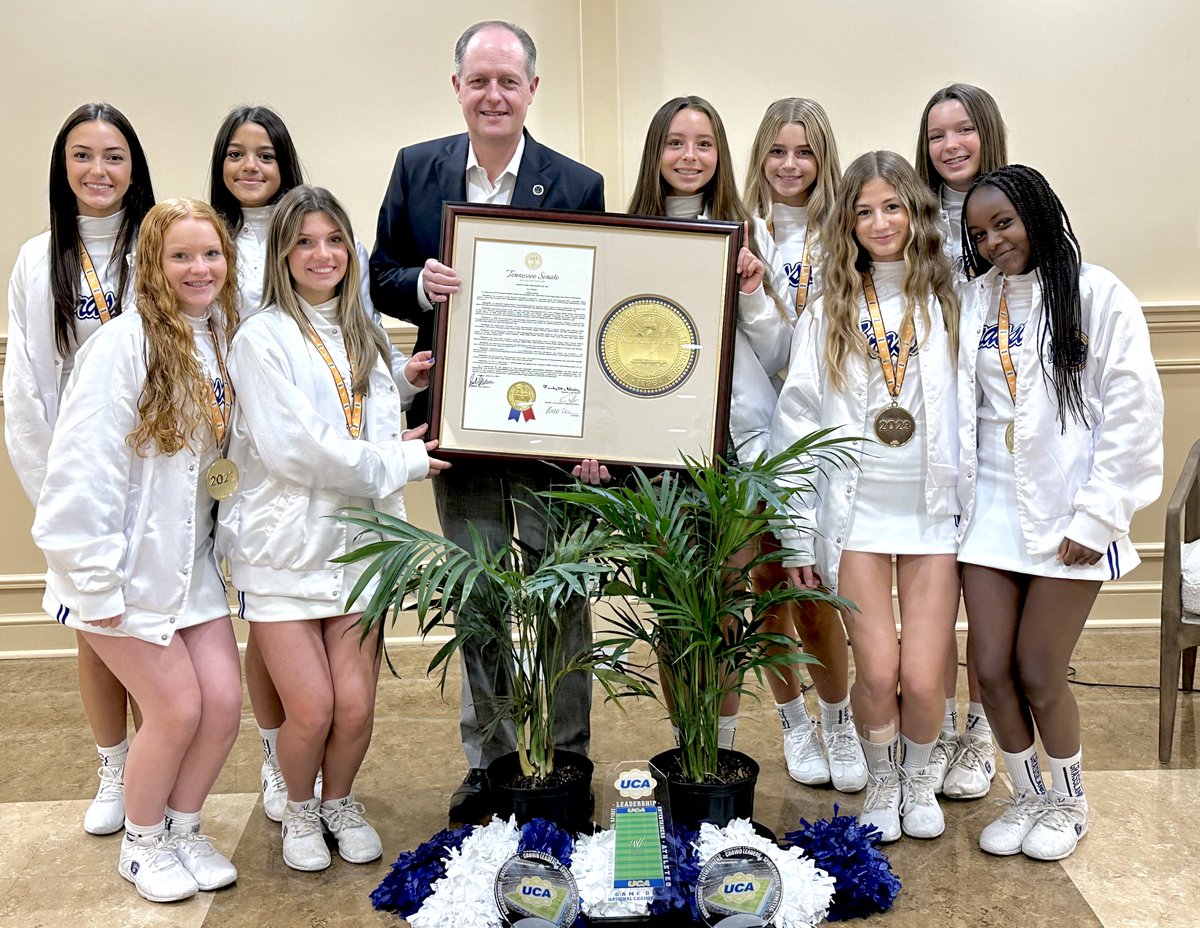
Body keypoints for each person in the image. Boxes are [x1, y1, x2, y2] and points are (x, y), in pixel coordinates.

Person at [369, 19, 605, 824]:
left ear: (533, 89)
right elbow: (379, 274)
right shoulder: (417, 169)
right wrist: (417, 285)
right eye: (480, 81)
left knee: (561, 597)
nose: (494, 94)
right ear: (458, 88)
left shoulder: (578, 185)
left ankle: (567, 754)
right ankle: (492, 758)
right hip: (458, 425)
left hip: (551, 434)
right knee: (476, 597)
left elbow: (593, 308)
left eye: (510, 81)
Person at [221, 185, 447, 871]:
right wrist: (404, 459)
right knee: (312, 708)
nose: (323, 255)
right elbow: (301, 450)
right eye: (305, 242)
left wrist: (402, 386)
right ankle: (299, 807)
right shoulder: (260, 337)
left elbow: (358, 414)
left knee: (354, 705)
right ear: (282, 255)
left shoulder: (365, 328)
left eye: (335, 240)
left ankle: (340, 800)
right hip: (285, 549)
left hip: (361, 548)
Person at [32, 198, 243, 902]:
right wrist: (95, 582)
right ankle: (142, 842)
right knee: (178, 709)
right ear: (151, 265)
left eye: (209, 253)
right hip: (118, 572)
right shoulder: (122, 346)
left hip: (191, 569)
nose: (198, 268)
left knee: (221, 706)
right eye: (180, 255)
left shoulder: (218, 336)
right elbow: (80, 471)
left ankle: (184, 828)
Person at [958, 164, 1162, 861]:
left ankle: (1069, 801)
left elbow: (1132, 414)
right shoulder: (974, 301)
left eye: (1004, 224)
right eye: (979, 233)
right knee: (988, 668)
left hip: (1070, 513)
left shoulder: (1098, 294)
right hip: (989, 510)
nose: (992, 242)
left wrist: (1098, 515)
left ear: (1039, 214)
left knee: (1039, 667)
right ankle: (1025, 796)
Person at [771, 151, 961, 842]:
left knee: (923, 673)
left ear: (916, 212)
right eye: (864, 211)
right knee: (877, 672)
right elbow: (793, 426)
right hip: (856, 515)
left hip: (932, 516)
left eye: (893, 207)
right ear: (847, 223)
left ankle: (916, 779)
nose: (880, 222)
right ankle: (882, 782)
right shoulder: (827, 308)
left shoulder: (952, 302)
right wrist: (795, 534)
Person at [4, 102, 155, 836]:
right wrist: (56, 497)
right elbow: (28, 389)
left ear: (136, 167)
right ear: (63, 169)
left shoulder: (161, 244)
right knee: (94, 627)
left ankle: (164, 764)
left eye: (114, 156)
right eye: (83, 156)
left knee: (158, 628)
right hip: (81, 479)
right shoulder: (38, 259)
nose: (99, 171)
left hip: (159, 475)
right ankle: (115, 768)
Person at [742, 97, 867, 792]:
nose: (791, 166)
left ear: (824, 160)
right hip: (749, 432)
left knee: (815, 586)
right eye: (778, 151)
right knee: (765, 587)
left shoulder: (843, 233)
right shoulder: (739, 232)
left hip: (820, 435)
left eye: (805, 152)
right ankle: (792, 721)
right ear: (760, 155)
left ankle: (839, 718)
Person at [915, 82, 1008, 798]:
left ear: (987, 136)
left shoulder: (1014, 211)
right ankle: (941, 723)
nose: (951, 145)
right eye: (938, 133)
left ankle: (981, 732)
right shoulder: (909, 214)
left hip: (998, 426)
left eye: (964, 130)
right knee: (935, 591)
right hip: (926, 422)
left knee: (986, 591)